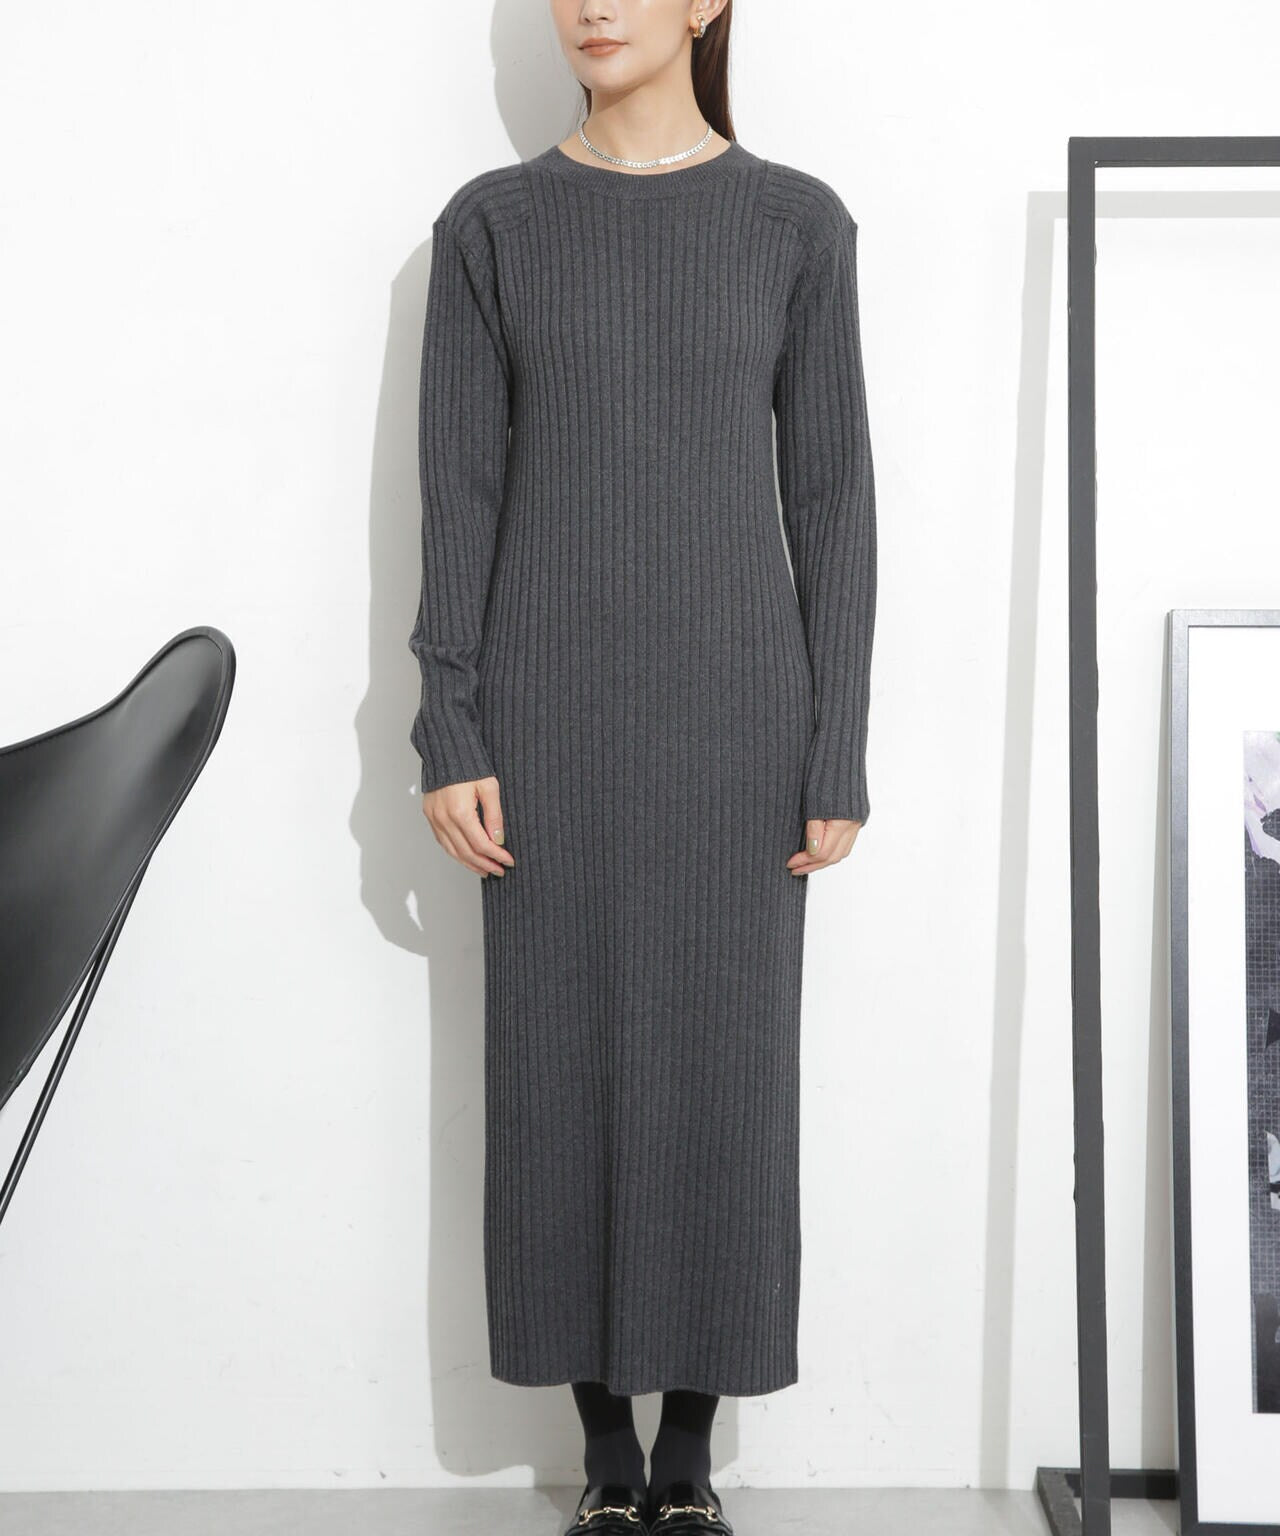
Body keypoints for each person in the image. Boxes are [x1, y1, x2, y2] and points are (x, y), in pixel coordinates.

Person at [408, 2, 877, 1531]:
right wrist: (449, 722)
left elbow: (834, 500)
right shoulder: (494, 227)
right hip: (547, 723)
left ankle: (690, 1452)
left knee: (723, 1071)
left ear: (707, 2)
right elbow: (460, 494)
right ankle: (604, 1449)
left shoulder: (795, 225)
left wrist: (837, 743)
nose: (592, 6)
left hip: (740, 726)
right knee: (559, 1069)